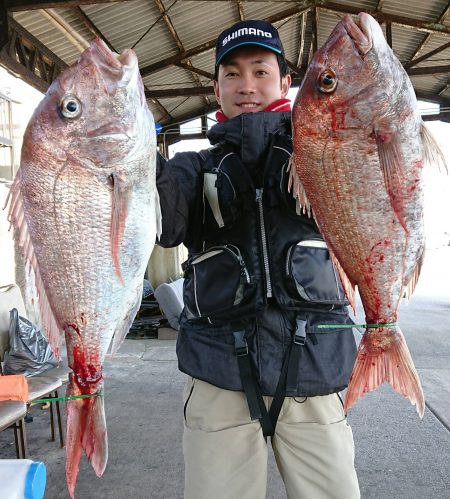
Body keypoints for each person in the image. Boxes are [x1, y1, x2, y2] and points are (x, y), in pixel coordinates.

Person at [156, 19, 360, 499]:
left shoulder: (326, 151)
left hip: (314, 369)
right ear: (215, 87)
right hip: (219, 376)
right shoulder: (191, 166)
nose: (246, 86)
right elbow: (162, 222)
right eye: (231, 74)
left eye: (260, 71)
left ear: (286, 82)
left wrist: (327, 151)